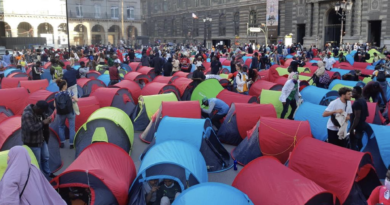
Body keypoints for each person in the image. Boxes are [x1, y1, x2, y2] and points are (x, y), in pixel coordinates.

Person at [0, 146, 66, 204]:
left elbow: (9, 201)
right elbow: (44, 186)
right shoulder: (33, 168)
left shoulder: (11, 176)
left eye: (9, 155)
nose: (7, 158)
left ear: (13, 156)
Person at [21, 101, 54, 178]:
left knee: (45, 157)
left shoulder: (40, 112)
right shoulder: (27, 114)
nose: (44, 112)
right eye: (43, 111)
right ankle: (38, 178)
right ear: (38, 108)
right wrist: (43, 122)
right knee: (36, 162)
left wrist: (48, 119)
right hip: (32, 142)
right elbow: (31, 128)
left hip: (42, 140)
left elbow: (44, 120)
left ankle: (47, 174)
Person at [55, 79, 78, 149]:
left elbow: (54, 105)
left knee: (61, 126)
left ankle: (62, 142)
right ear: (64, 86)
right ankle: (71, 143)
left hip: (61, 113)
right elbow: (77, 100)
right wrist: (72, 100)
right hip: (69, 111)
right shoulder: (69, 93)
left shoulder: (56, 95)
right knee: (72, 127)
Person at [349, 86, 369, 151]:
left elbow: (357, 117)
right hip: (362, 125)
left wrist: (351, 128)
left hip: (356, 127)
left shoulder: (357, 103)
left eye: (354, 92)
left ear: (358, 93)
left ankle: (353, 156)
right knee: (359, 142)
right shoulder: (363, 100)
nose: (352, 93)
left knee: (353, 144)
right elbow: (367, 114)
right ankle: (360, 152)